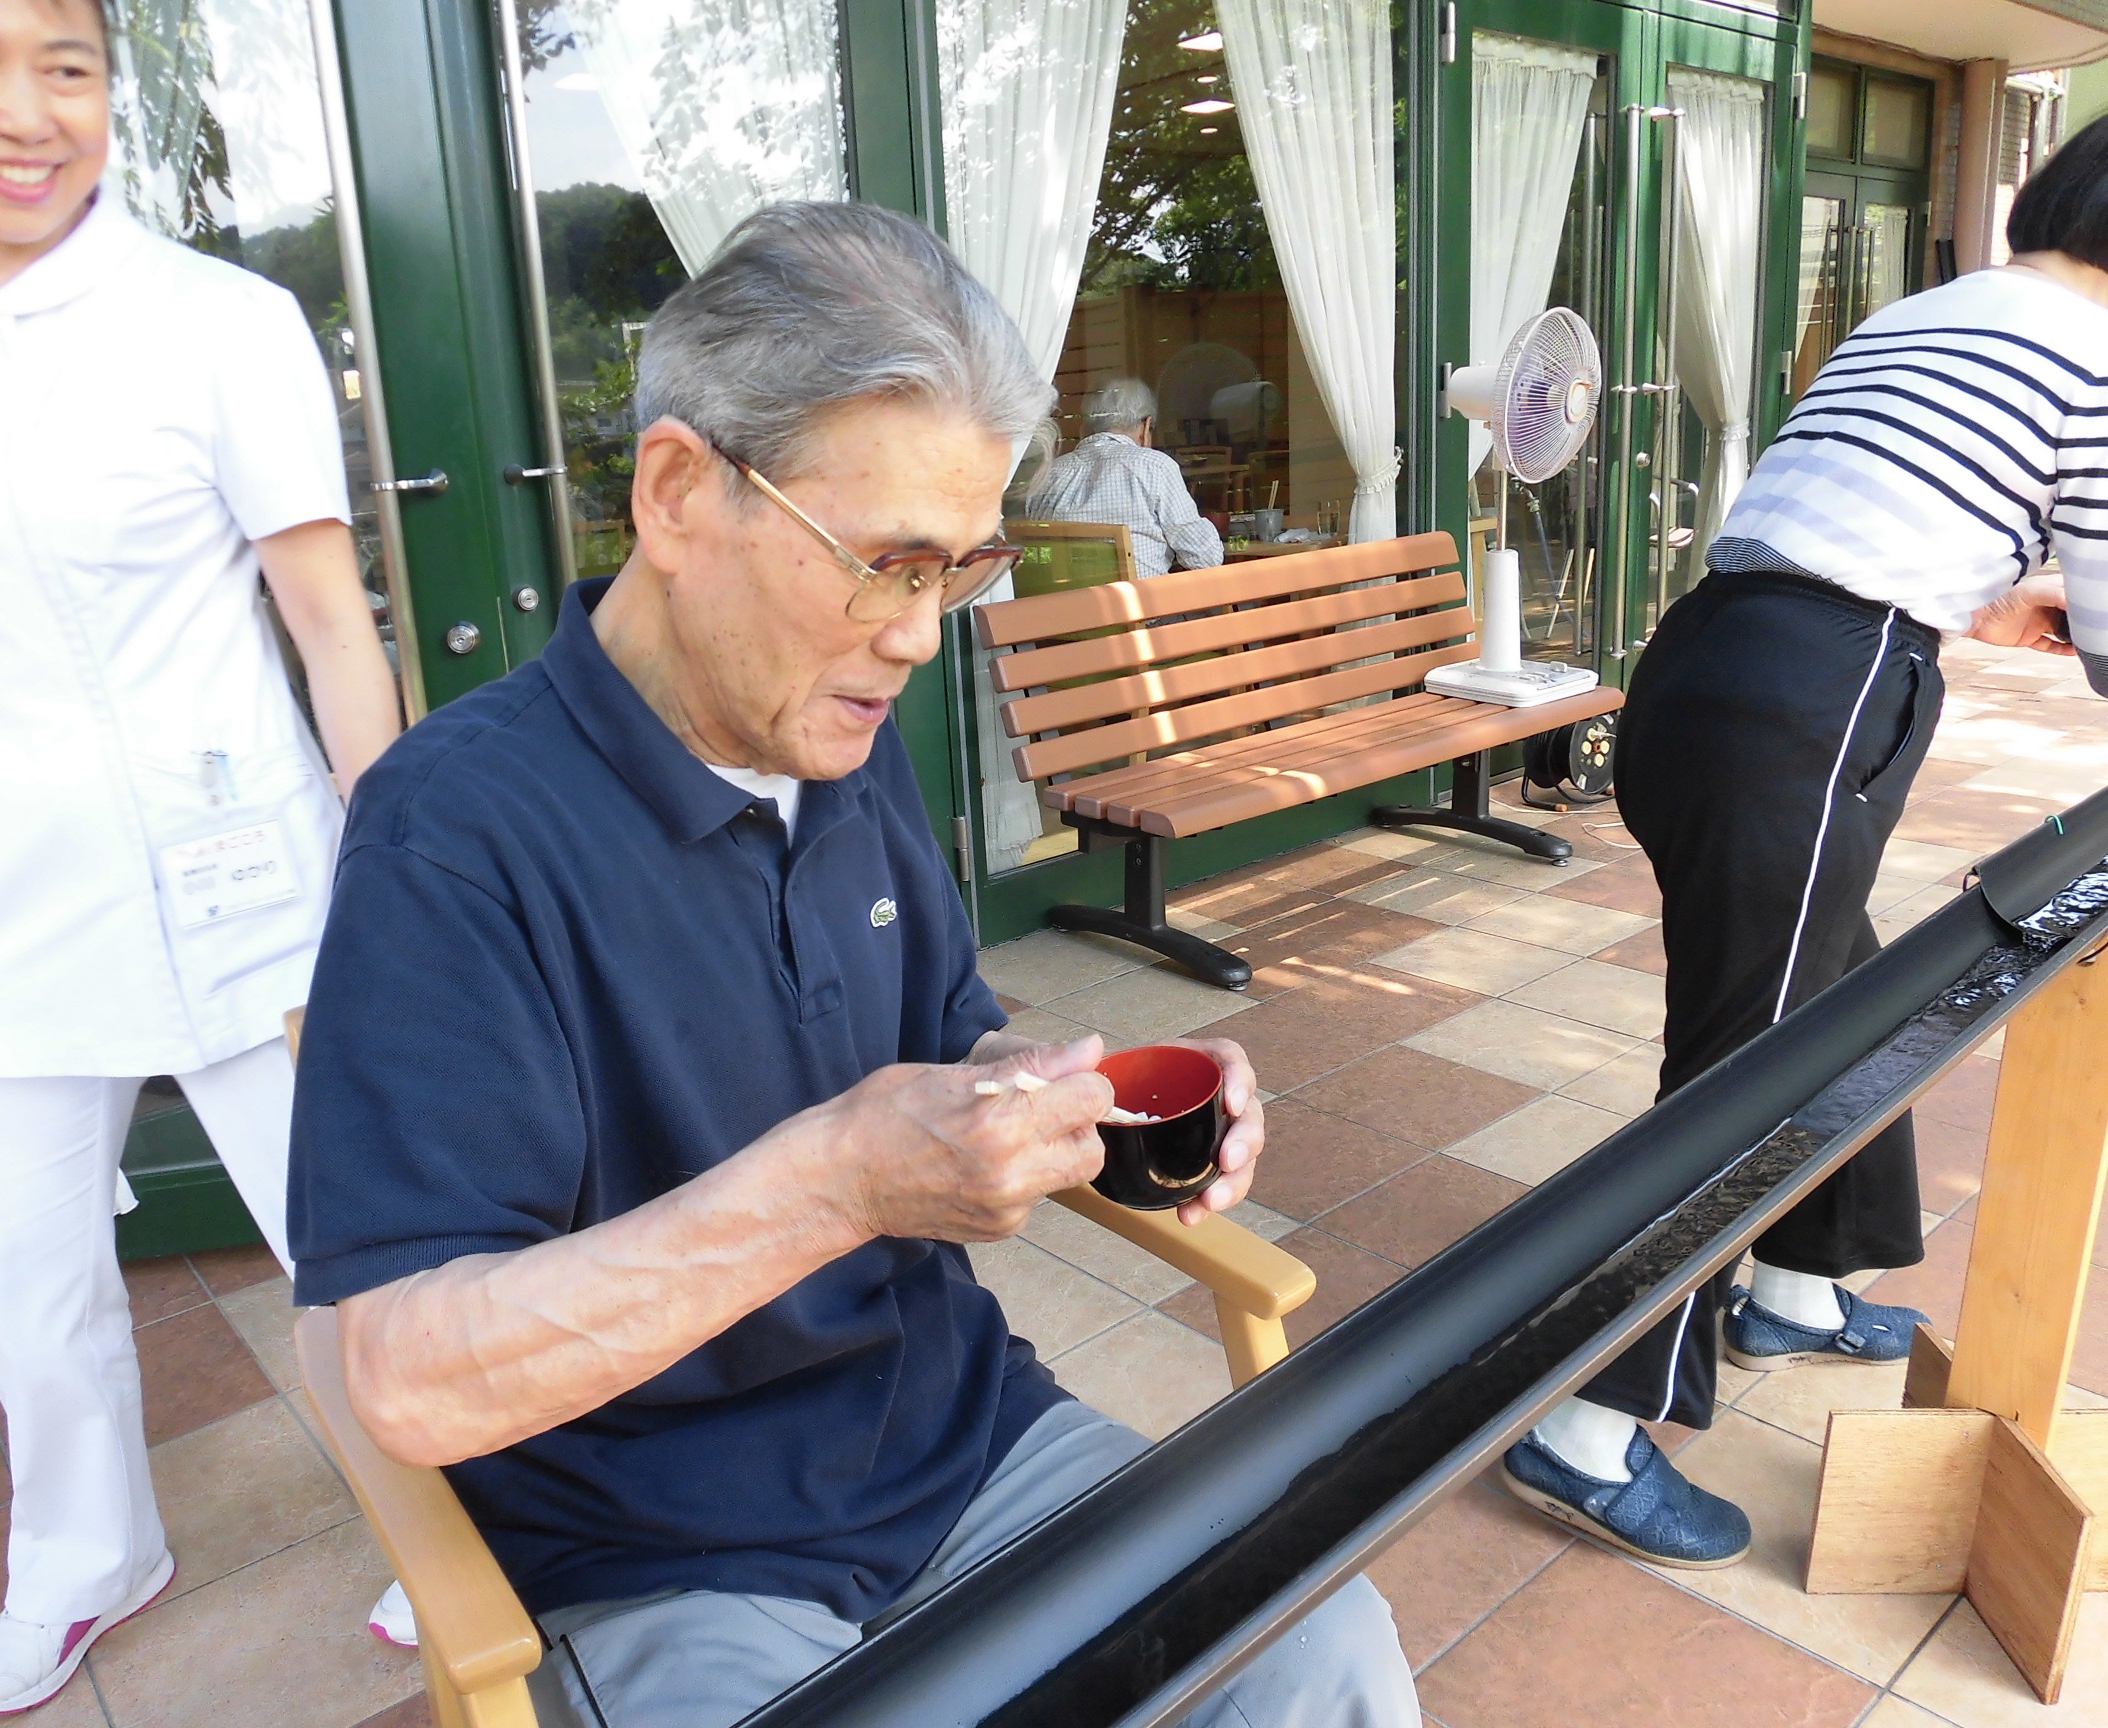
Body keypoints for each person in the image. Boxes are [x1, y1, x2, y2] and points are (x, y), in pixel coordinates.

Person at [287, 202, 1419, 1728]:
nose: (919, 636)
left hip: (966, 1445)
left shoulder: (839, 737)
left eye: (959, 568)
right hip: (667, 1553)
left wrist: (1058, 1096)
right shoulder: (454, 837)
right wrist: (834, 1182)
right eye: (886, 563)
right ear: (678, 495)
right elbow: (406, 1372)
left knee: (1320, 1653)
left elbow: (952, 1038)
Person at [0, 0, 401, 1710]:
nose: (27, 110)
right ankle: (84, 1555)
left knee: (358, 1237)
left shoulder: (218, 323)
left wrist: (401, 868)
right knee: (17, 1267)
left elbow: (327, 622)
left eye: (66, 66)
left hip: (247, 871)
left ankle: (456, 1517)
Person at [1503, 115, 2108, 1567]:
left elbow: (1885, 522)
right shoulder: (2101, 362)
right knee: (1747, 1076)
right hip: (1812, 701)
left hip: (1712, 661)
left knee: (1857, 1000)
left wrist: (2008, 597)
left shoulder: (1931, 310)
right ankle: (1584, 1428)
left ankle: (1797, 1280)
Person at [1030, 377, 1226, 576]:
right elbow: (1205, 559)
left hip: (1067, 596)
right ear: (1146, 426)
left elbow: (1035, 556)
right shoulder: (1155, 466)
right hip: (1137, 596)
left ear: (1085, 428)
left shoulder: (1047, 475)